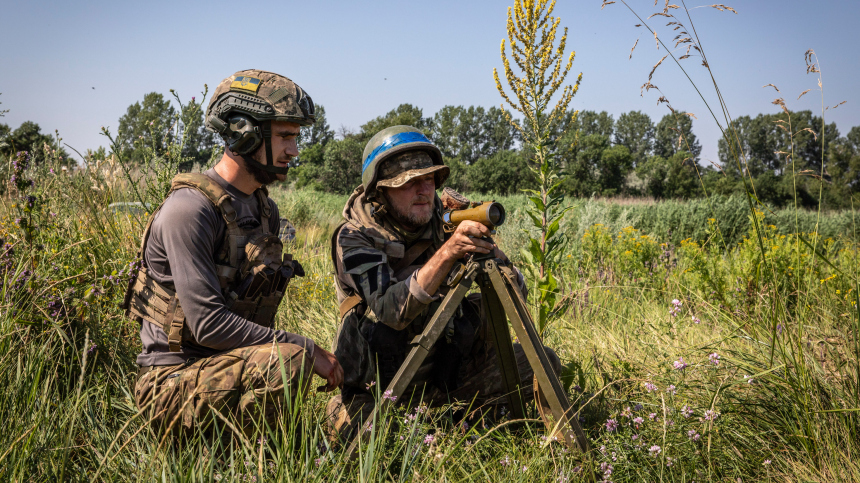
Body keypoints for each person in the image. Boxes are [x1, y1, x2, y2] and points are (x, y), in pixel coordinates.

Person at [124, 69, 343, 438]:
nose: (294, 150)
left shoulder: (264, 210)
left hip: (221, 370)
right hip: (169, 385)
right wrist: (306, 347)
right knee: (288, 360)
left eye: (296, 137)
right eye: (286, 136)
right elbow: (207, 324)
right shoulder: (190, 209)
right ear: (244, 133)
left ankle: (259, 455)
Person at [325, 125, 560, 441]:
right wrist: (448, 253)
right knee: (357, 434)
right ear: (379, 191)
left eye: (429, 180)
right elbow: (390, 310)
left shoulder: (446, 220)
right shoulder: (354, 237)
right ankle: (439, 425)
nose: (423, 190)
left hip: (448, 370)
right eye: (408, 183)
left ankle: (458, 419)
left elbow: (515, 295)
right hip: (383, 382)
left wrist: (492, 255)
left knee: (542, 364)